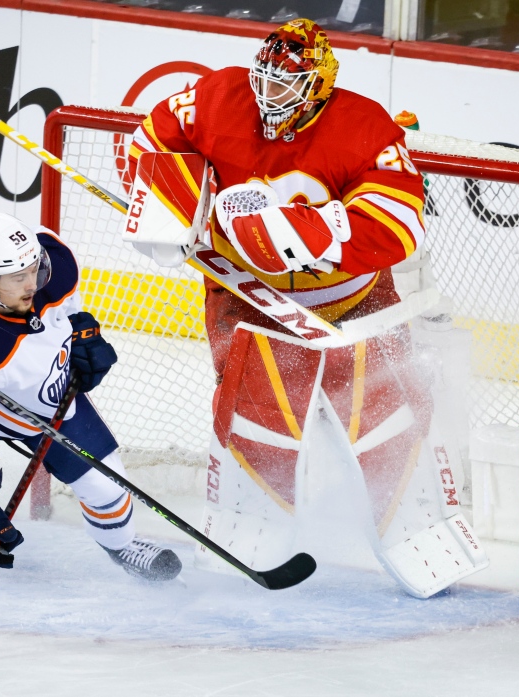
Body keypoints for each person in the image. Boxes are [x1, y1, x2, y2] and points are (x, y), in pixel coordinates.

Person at [127, 20, 435, 588]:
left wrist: (303, 233)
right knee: (256, 414)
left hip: (354, 300)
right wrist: (174, 203)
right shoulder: (220, 97)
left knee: (387, 412)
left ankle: (421, 528)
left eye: (287, 83)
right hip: (247, 299)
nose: (269, 93)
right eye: (264, 77)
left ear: (318, 85)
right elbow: (153, 137)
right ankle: (248, 530)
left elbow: (403, 223)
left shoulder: (364, 125)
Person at [0, 211, 182, 582]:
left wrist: (81, 334)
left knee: (105, 484)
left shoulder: (53, 264)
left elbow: (68, 310)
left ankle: (122, 545)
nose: (33, 283)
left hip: (34, 385)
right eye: (18, 277)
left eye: (34, 269)